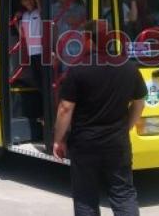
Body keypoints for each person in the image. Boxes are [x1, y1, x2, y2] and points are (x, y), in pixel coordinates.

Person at [53, 55, 148, 215]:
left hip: (85, 144)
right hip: (117, 144)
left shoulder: (78, 69)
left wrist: (58, 140)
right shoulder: (129, 68)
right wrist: (125, 128)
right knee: (123, 194)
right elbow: (140, 103)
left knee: (85, 197)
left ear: (89, 40)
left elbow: (65, 108)